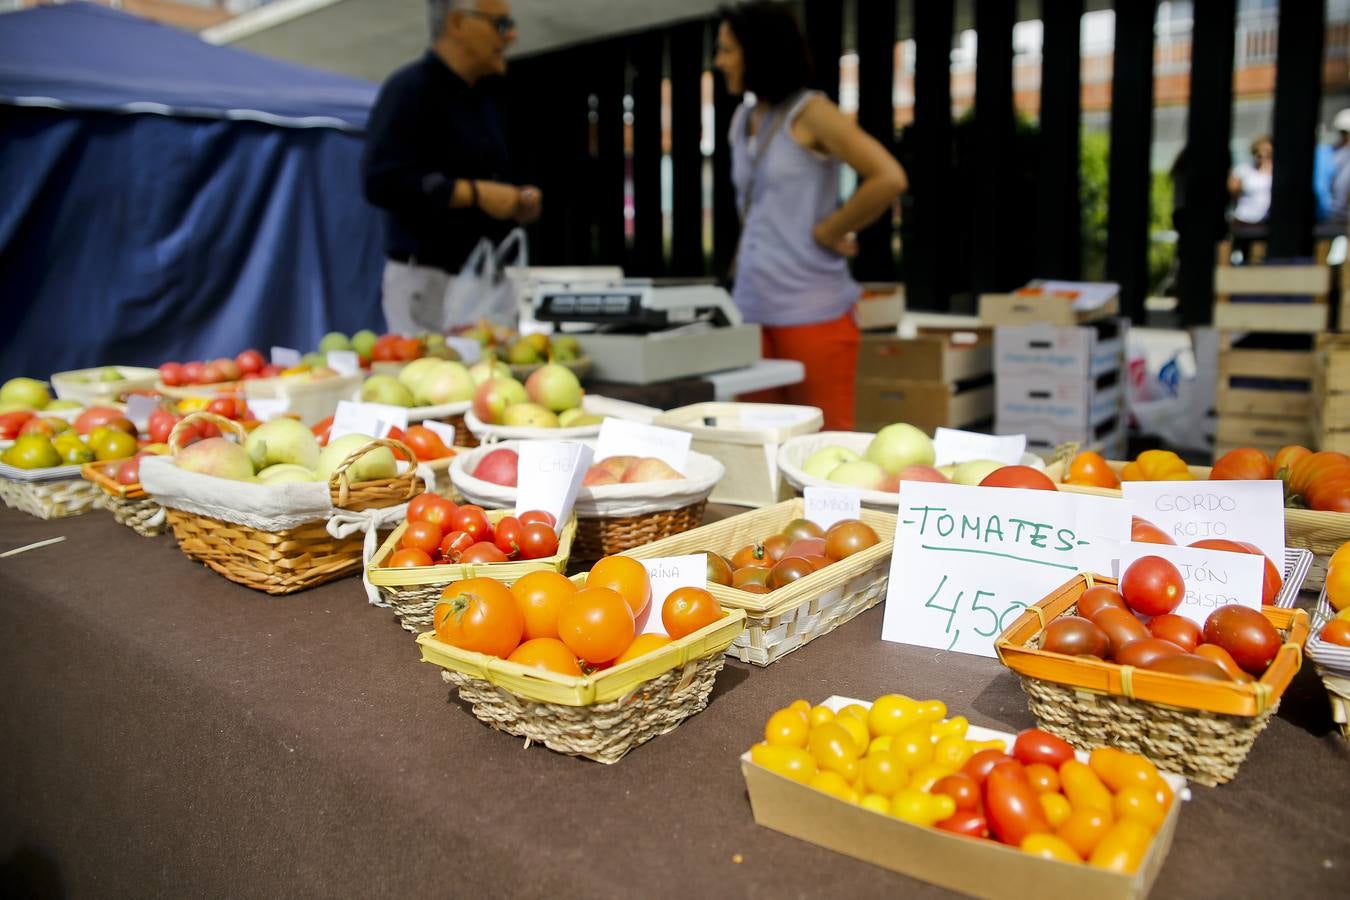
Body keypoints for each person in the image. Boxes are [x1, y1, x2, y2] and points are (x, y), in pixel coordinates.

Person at [714, 2, 906, 432]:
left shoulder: (812, 112)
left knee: (824, 447)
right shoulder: (741, 119)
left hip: (812, 311)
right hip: (751, 311)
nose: (719, 61)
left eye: (727, 49)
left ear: (757, 51)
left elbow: (888, 177)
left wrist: (830, 229)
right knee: (757, 447)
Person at [363, 0, 541, 335]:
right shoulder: (408, 89)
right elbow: (380, 181)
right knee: (429, 380)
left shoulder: (495, 96)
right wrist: (473, 194)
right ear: (458, 23)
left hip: (489, 281)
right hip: (426, 284)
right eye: (501, 25)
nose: (512, 35)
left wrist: (520, 198)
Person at [1227, 135, 1273, 230]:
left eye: (1268, 154)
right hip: (1243, 218)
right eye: (1260, 155)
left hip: (1266, 219)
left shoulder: (1276, 173)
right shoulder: (1243, 170)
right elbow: (1232, 191)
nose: (1264, 158)